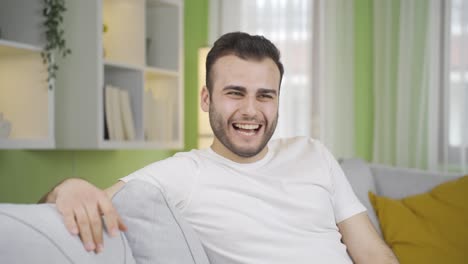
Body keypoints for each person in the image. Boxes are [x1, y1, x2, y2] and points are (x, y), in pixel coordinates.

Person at [43, 32, 398, 263]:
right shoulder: (185, 172)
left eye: (265, 96)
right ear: (206, 98)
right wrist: (67, 188)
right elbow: (89, 203)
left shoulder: (313, 153)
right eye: (234, 93)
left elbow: (371, 252)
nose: (250, 110)